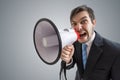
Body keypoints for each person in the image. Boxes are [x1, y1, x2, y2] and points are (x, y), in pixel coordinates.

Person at [60, 5, 120, 80]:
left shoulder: (115, 51)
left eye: (83, 21)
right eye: (74, 24)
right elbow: (70, 64)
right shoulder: (74, 42)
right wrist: (68, 60)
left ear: (93, 23)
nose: (78, 28)